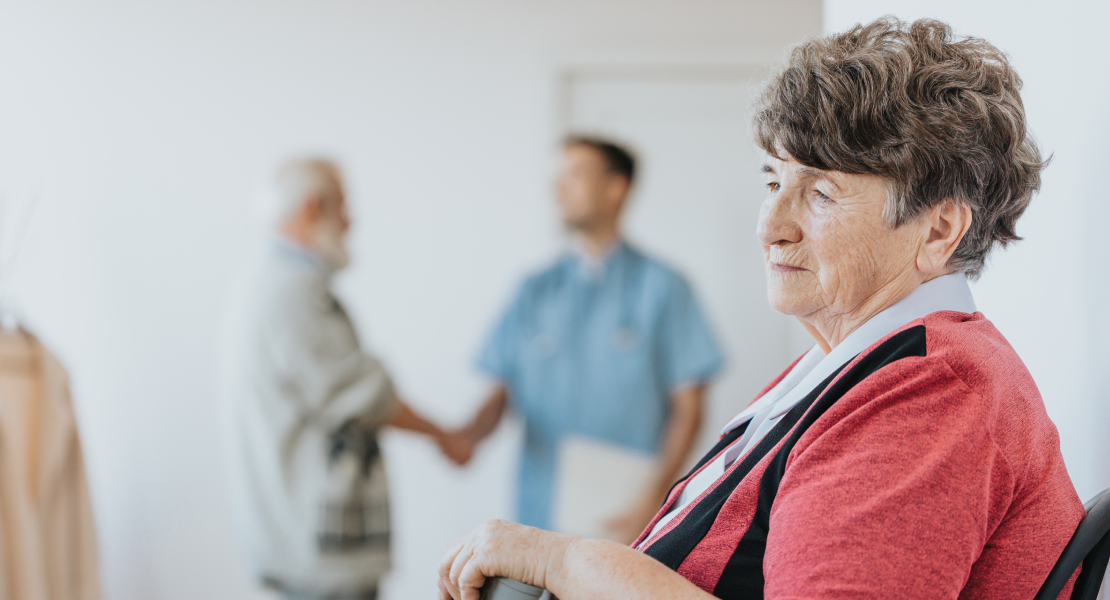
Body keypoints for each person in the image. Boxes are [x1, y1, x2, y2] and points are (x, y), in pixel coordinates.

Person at [436, 18, 1086, 600]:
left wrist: (567, 561)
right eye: (774, 182)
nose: (770, 225)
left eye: (820, 192)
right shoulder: (848, 361)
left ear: (939, 230)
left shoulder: (928, 394)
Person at [222, 159, 470, 600]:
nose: (352, 221)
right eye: (345, 207)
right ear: (316, 207)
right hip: (316, 547)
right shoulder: (292, 291)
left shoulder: (270, 281)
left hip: (295, 533)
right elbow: (364, 395)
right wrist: (442, 435)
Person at [458, 136, 724, 543]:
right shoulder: (533, 290)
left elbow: (689, 410)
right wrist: (467, 434)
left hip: (628, 519)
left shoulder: (664, 288)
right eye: (557, 177)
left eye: (575, 175)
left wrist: (654, 499)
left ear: (616, 188)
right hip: (537, 521)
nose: (558, 188)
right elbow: (499, 393)